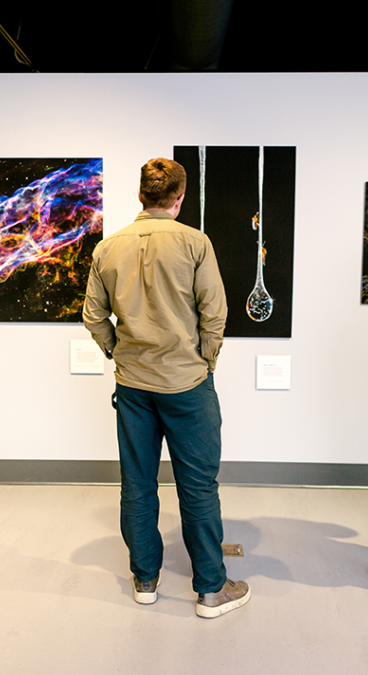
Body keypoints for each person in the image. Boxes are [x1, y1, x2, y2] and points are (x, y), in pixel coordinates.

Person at [83, 158, 250, 618]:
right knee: (198, 488)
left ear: (141, 195)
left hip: (134, 385)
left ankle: (145, 581)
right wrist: (204, 362)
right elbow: (214, 313)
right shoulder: (195, 243)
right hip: (187, 383)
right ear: (178, 198)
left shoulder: (107, 248)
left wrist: (119, 352)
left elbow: (94, 316)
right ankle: (211, 590)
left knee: (137, 485)